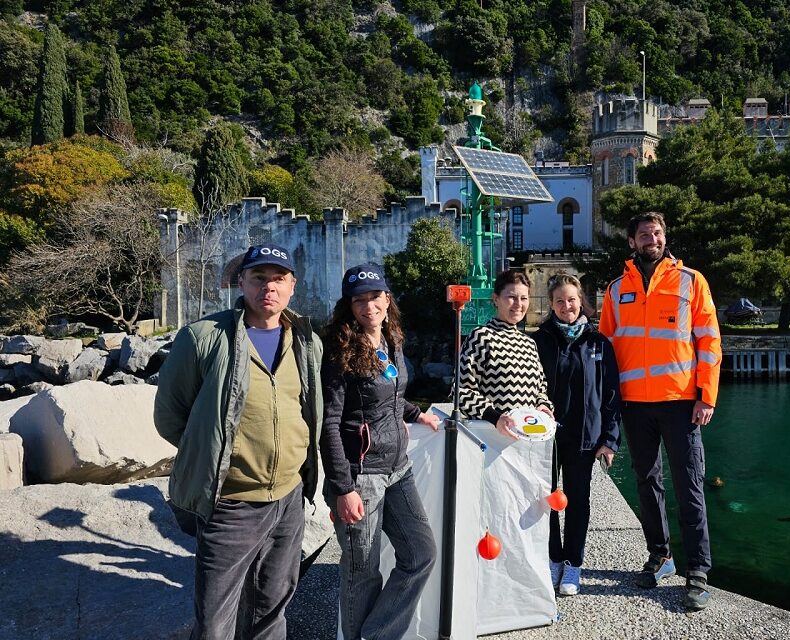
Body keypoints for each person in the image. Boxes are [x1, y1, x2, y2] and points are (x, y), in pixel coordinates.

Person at [154, 242, 323, 638]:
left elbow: (312, 408)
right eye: (259, 277)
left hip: (289, 499)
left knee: (272, 608)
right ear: (241, 283)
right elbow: (169, 417)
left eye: (278, 278)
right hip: (230, 503)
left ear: (292, 286)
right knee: (215, 620)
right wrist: (215, 454)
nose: (269, 286)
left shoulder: (306, 340)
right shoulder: (203, 338)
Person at [599, 212, 722, 611]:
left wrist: (707, 395)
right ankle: (660, 557)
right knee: (647, 483)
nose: (651, 238)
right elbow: (604, 350)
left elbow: (709, 341)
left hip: (681, 402)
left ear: (664, 237)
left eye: (656, 232)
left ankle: (698, 570)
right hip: (635, 404)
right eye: (643, 234)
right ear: (632, 242)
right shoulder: (616, 290)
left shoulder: (691, 282)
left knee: (690, 485)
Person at [320, 263, 440, 640]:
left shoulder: (391, 339)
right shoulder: (341, 350)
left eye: (375, 296)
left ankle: (375, 635)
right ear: (349, 306)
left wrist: (417, 414)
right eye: (359, 300)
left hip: (398, 467)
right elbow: (330, 423)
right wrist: (343, 487)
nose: (368, 305)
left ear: (387, 299)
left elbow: (391, 394)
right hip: (362, 474)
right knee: (362, 573)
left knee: (421, 554)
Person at [531, 273, 621, 596]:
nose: (566, 306)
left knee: (578, 502)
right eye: (559, 301)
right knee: (548, 499)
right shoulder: (539, 341)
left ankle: (573, 564)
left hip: (585, 438)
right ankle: (554, 557)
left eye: (571, 300)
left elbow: (611, 395)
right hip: (546, 439)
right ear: (551, 305)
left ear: (580, 300)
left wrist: (609, 440)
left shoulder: (598, 343)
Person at [458, 270, 553, 438]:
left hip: (528, 440)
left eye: (524, 298)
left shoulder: (529, 343)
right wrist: (495, 418)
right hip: (491, 440)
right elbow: (461, 391)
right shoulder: (481, 337)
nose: (518, 304)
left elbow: (541, 388)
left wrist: (543, 405)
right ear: (496, 299)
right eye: (511, 297)